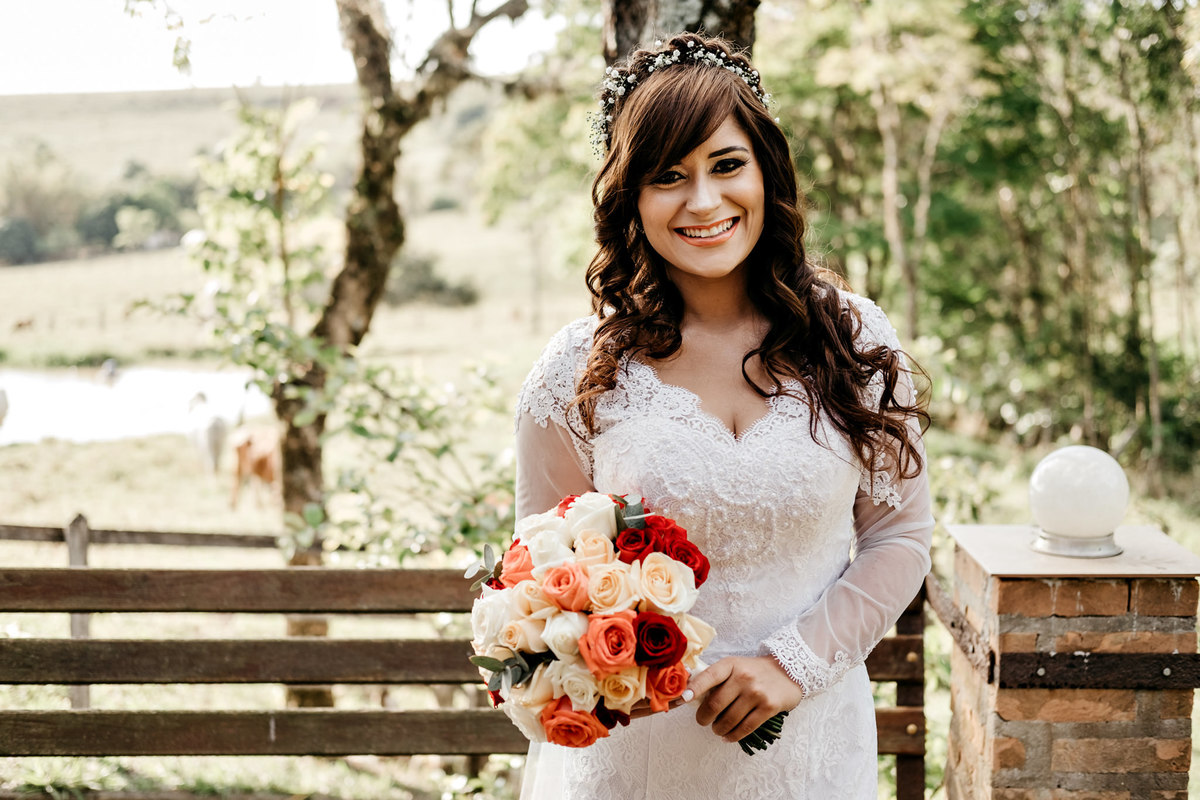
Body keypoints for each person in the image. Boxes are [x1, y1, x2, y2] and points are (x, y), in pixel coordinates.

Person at [512, 32, 934, 799]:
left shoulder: (854, 341)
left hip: (811, 750)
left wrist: (791, 665)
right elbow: (541, 577)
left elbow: (899, 536)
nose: (703, 202)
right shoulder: (576, 374)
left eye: (727, 165)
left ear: (767, 173)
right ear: (631, 199)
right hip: (636, 761)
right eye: (668, 176)